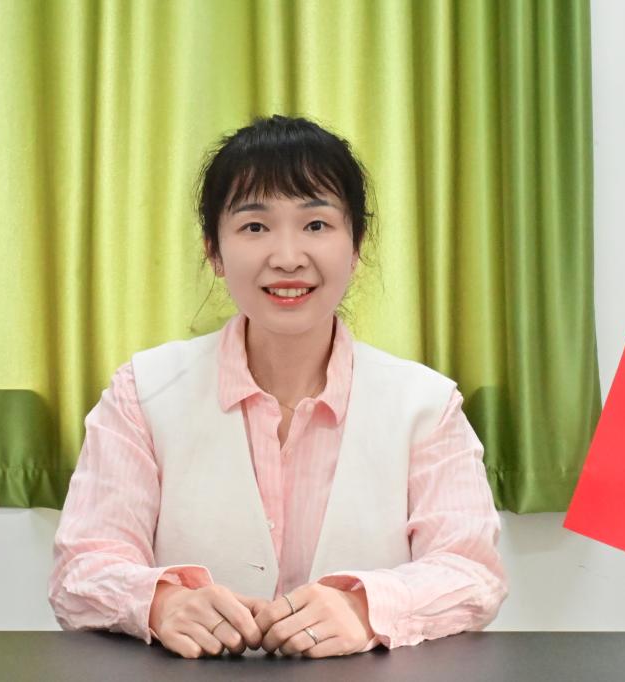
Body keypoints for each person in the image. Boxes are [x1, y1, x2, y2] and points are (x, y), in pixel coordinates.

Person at [48, 115, 508, 659]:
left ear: (356, 246)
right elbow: (82, 569)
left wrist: (365, 609)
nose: (288, 258)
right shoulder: (142, 394)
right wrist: (162, 603)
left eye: (316, 224)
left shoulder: (426, 405)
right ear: (214, 252)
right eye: (255, 227)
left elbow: (470, 571)